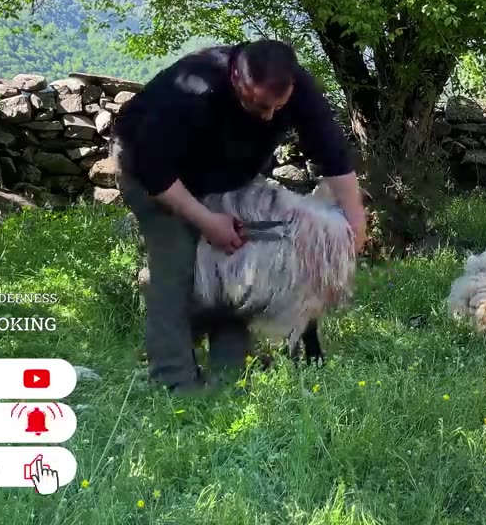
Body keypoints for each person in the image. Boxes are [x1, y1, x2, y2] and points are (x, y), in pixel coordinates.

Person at [112, 39, 368, 394]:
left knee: (235, 267)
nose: (267, 117)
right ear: (235, 77)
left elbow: (332, 152)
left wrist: (354, 217)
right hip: (153, 172)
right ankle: (174, 383)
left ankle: (229, 376)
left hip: (222, 177)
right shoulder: (194, 92)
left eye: (277, 107)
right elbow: (154, 170)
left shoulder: (296, 87)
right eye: (258, 104)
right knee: (176, 267)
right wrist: (205, 220)